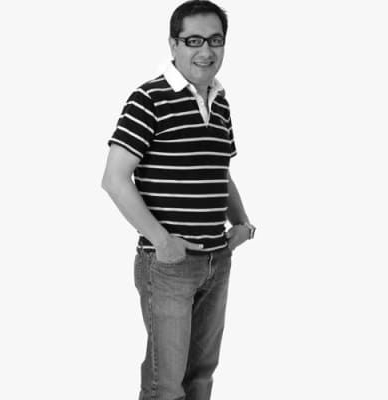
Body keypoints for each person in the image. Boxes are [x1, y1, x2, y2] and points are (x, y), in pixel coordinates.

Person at [102, 1, 255, 398]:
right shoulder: (148, 98)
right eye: (193, 40)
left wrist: (242, 223)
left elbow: (219, 171)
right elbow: (114, 179)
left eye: (215, 40)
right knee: (166, 385)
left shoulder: (220, 101)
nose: (206, 51)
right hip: (168, 265)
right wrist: (162, 241)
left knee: (201, 376)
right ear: (173, 44)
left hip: (217, 260)